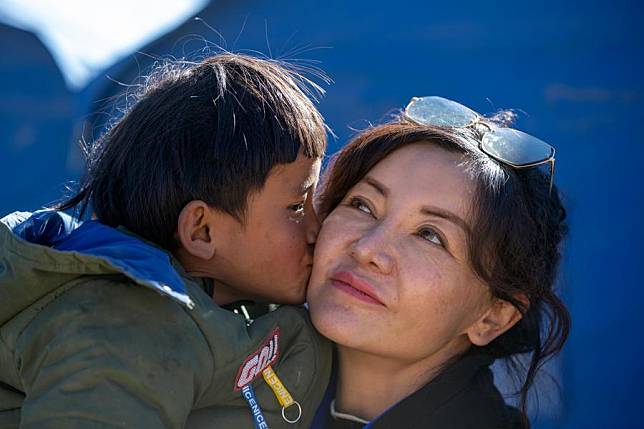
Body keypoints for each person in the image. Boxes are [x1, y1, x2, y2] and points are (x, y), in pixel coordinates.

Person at [0, 53, 333, 428]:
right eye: (295, 206)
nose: (316, 228)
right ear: (201, 232)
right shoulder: (122, 328)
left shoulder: (233, 306)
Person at [307, 96, 570, 428]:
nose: (367, 249)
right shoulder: (240, 374)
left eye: (429, 235)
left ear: (494, 317)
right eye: (362, 205)